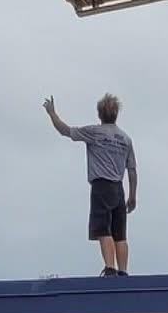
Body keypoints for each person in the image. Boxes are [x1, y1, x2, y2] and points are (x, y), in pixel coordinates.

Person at [44, 92, 137, 276]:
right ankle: (123, 271)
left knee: (104, 228)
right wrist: (132, 195)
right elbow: (132, 169)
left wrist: (52, 113)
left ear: (99, 114)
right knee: (120, 233)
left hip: (102, 186)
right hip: (119, 188)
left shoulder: (95, 132)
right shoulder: (126, 139)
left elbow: (65, 130)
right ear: (116, 113)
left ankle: (110, 268)